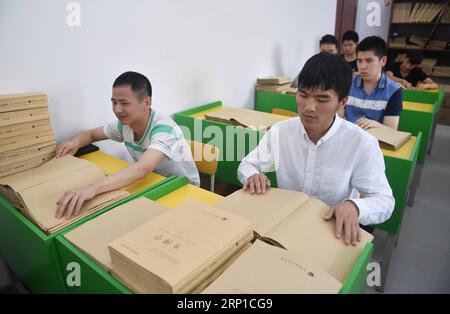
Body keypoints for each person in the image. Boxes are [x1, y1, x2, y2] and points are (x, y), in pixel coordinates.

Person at [238, 52, 394, 246]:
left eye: (322, 99)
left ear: (342, 102)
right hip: (282, 224)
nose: (309, 107)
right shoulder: (281, 131)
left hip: (329, 230)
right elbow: (247, 165)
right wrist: (252, 175)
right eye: (303, 95)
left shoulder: (361, 143)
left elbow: (385, 201)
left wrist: (355, 206)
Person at [54, 71, 200, 219]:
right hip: (152, 183)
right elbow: (91, 134)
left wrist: (93, 188)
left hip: (183, 190)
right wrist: (74, 143)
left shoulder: (165, 129)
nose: (117, 109)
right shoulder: (125, 126)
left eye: (124, 103)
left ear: (147, 103)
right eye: (114, 102)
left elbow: (141, 169)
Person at [345, 36, 402, 130]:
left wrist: (376, 125)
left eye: (369, 61)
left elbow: (391, 130)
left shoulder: (394, 91)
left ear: (383, 61)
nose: (362, 66)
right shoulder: (347, 83)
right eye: (359, 61)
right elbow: (338, 116)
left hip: (376, 140)